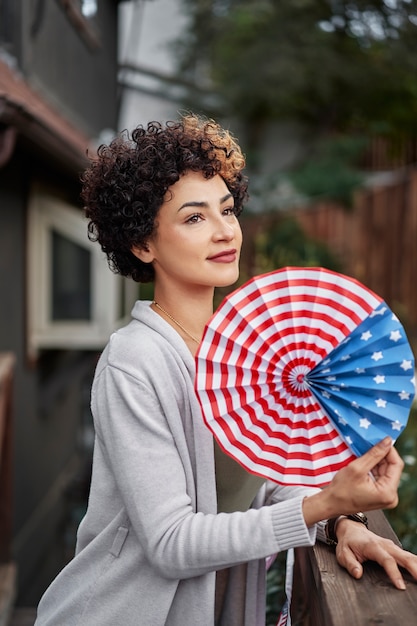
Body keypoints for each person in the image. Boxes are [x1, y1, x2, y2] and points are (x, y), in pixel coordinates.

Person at [35, 114, 417, 626]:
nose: (224, 232)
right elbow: (170, 543)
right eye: (195, 218)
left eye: (228, 210)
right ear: (143, 244)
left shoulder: (244, 350)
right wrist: (320, 506)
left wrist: (341, 522)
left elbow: (265, 474)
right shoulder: (133, 363)